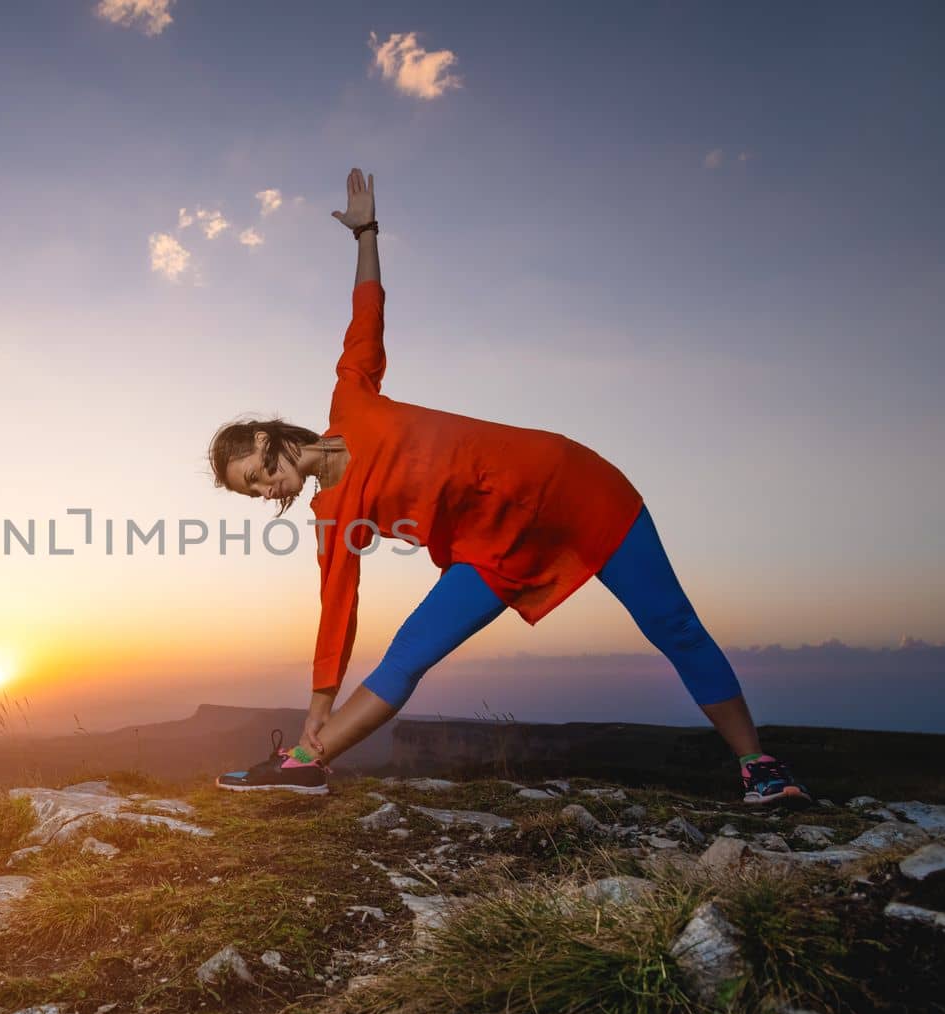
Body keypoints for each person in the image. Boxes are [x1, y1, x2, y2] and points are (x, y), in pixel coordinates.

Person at [209, 168, 810, 806]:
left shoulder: (351, 397)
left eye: (254, 476)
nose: (265, 493)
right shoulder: (333, 515)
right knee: (410, 651)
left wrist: (367, 233)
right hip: (493, 552)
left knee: (673, 625)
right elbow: (337, 610)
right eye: (253, 494)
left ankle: (758, 765)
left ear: (267, 441)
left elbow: (367, 311)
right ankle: (307, 761)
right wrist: (317, 705)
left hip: (571, 487)